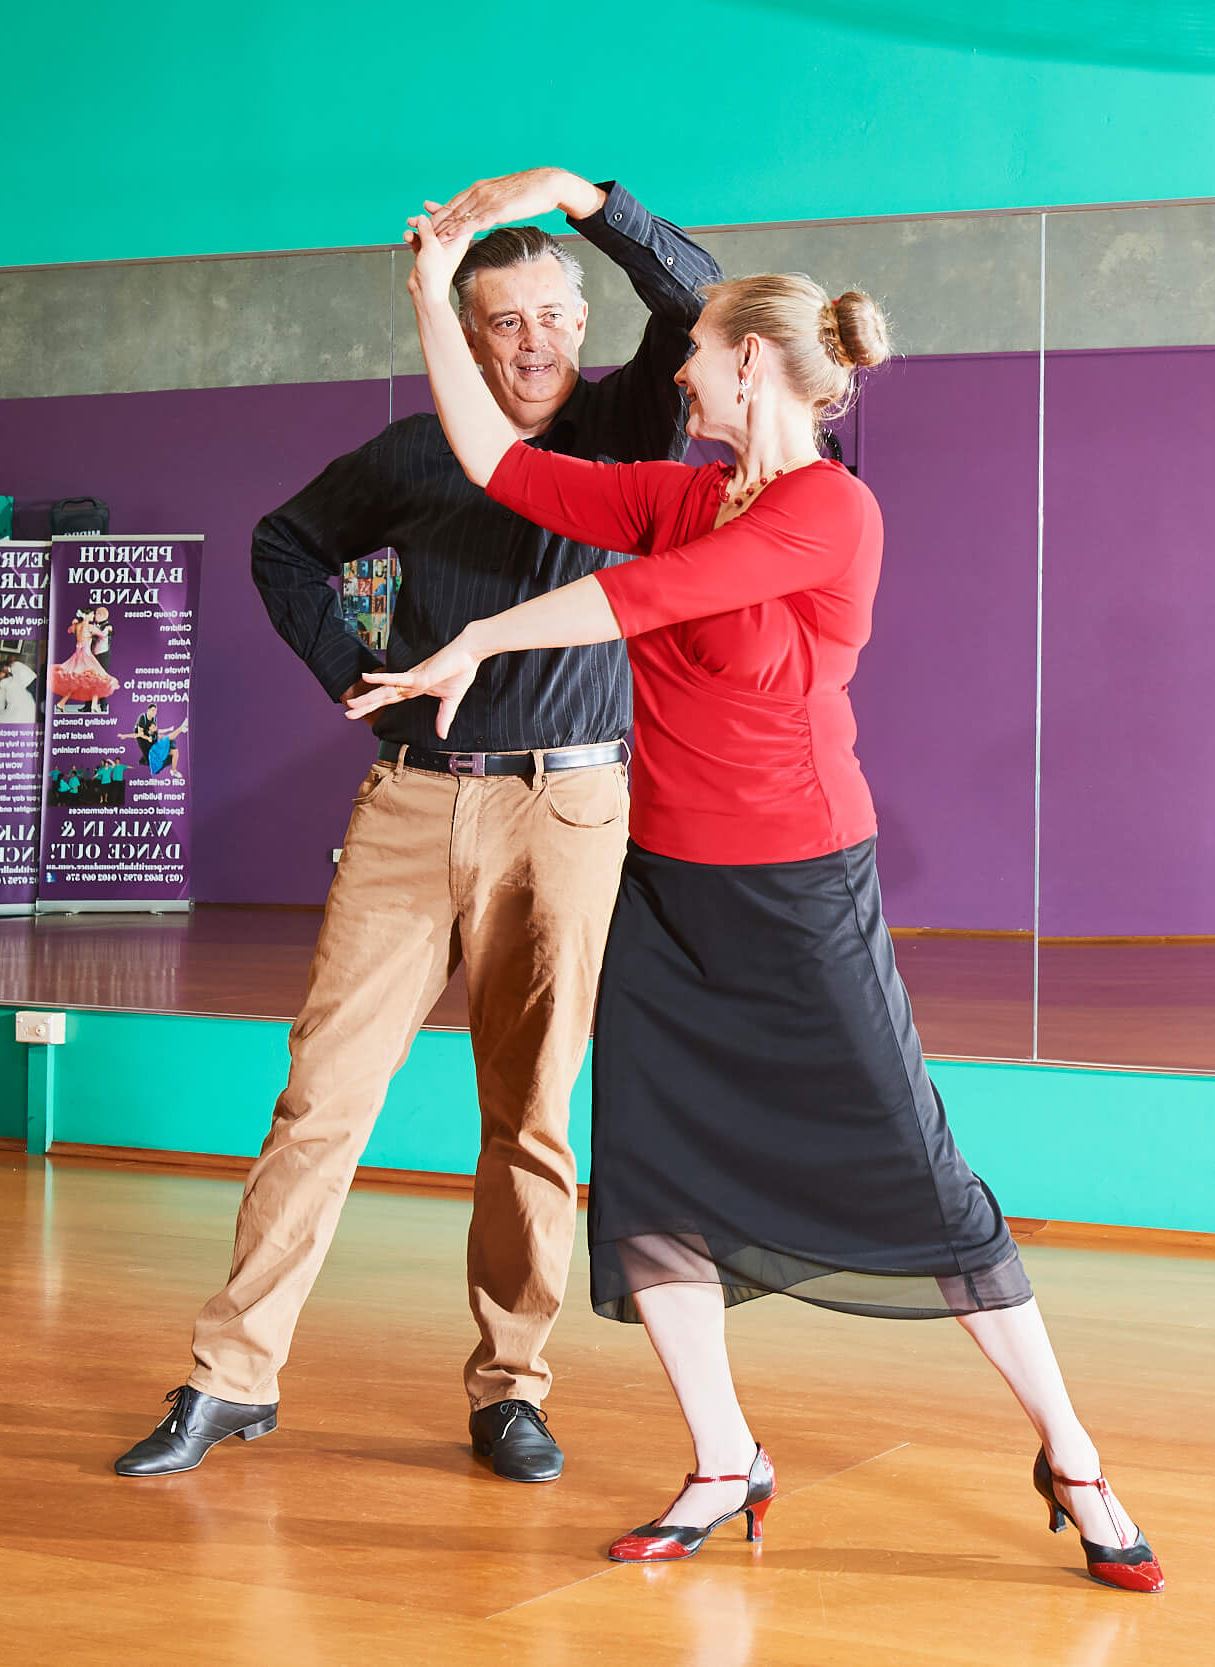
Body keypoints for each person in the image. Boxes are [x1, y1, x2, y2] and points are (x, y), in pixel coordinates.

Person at [349, 214, 1164, 1593]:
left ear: (749, 365)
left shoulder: (827, 508)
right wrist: (431, 291)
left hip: (798, 885)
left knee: (924, 1179)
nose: (673, 378)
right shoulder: (683, 490)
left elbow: (641, 602)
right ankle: (721, 1455)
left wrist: (480, 634)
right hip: (663, 886)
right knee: (653, 1182)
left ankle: (1071, 1452)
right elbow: (498, 463)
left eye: (695, 361)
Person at [113, 167, 722, 1484]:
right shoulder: (409, 452)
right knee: (319, 1100)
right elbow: (284, 544)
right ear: (460, 330)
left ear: (579, 318)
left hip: (566, 805)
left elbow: (696, 296)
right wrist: (351, 669)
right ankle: (232, 1374)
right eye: (501, 320)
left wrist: (580, 200)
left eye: (552, 313)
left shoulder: (623, 425)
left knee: (532, 1121)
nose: (534, 341)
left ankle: (509, 1386)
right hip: (410, 801)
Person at [50, 610, 118, 711]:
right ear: (86, 615)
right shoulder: (90, 627)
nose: (93, 616)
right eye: (92, 614)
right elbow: (103, 635)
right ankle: (93, 705)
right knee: (96, 679)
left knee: (78, 681)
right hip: (86, 657)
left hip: (77, 657)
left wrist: (75, 623)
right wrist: (108, 628)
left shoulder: (77, 626)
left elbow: (69, 630)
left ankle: (62, 703)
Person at [0, 653, 38, 724]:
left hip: (31, 684)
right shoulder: (14, 667)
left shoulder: (15, 666)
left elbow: (17, 681)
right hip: (32, 683)